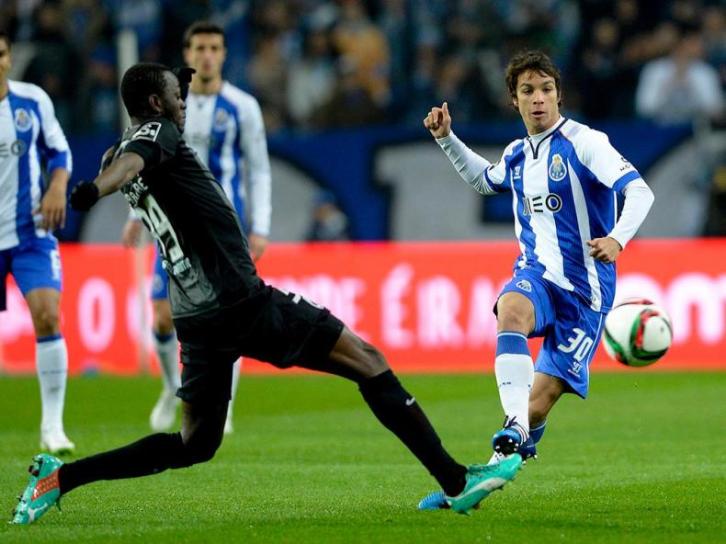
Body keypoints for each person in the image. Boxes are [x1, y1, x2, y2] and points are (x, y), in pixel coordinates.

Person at [11, 62, 523, 525]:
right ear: (153, 104)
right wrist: (94, 189)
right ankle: (455, 481)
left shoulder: (125, 145)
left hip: (197, 318)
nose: (184, 103)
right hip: (239, 301)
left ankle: (60, 478)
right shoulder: (153, 137)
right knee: (367, 360)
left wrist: (166, 97)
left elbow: (131, 158)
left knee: (195, 443)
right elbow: (132, 161)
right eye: (176, 96)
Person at [417, 50, 655, 509]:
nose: (539, 99)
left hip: (586, 293)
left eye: (546, 89)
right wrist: (447, 139)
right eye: (528, 91)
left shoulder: (586, 143)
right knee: (511, 308)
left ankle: (483, 478)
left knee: (537, 406)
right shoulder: (516, 155)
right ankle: (512, 428)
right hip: (537, 277)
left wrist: (618, 239)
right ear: (515, 99)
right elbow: (485, 180)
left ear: (559, 95)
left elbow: (639, 192)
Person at [121, 21, 272, 435]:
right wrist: (135, 216)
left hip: (223, 229)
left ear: (223, 54)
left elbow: (258, 168)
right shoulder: (166, 104)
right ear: (187, 55)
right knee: (162, 317)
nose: (207, 56)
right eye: (200, 48)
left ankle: (226, 408)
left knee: (230, 315)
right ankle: (174, 388)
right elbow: (142, 160)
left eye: (214, 48)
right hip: (172, 226)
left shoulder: (242, 107)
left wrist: (261, 225)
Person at [0, 30, 74, 455]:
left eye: (0, 54)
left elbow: (59, 152)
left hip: (31, 233)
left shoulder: (32, 101)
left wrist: (57, 188)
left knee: (47, 316)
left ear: (10, 58)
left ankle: (52, 426)